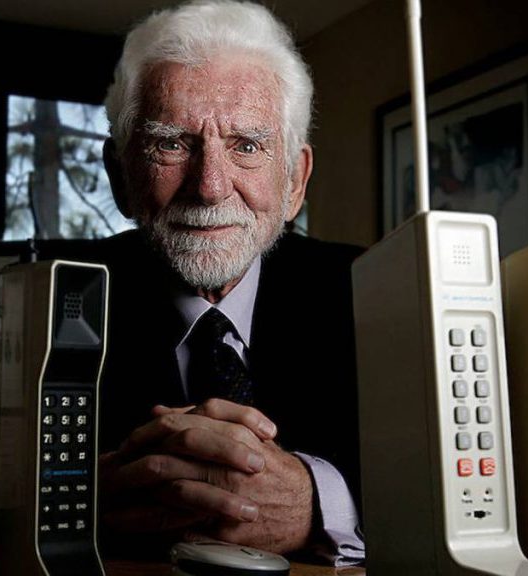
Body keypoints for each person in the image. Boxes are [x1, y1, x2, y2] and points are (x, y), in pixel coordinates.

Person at [82, 0, 364, 565]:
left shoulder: (376, 295)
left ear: (294, 181)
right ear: (120, 175)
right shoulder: (47, 304)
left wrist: (322, 505)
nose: (210, 186)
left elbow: (473, 478)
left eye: (247, 146)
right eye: (171, 143)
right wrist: (72, 501)